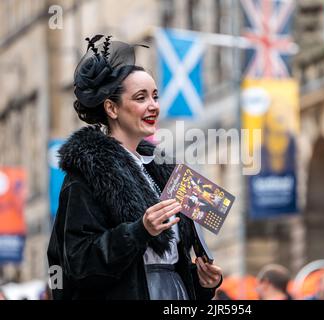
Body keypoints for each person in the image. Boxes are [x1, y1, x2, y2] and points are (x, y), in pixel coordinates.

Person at [47, 35, 223, 300]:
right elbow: (78, 263)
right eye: (140, 98)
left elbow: (178, 260)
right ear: (112, 108)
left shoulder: (166, 169)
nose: (153, 105)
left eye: (155, 96)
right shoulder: (86, 174)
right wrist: (139, 231)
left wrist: (204, 282)